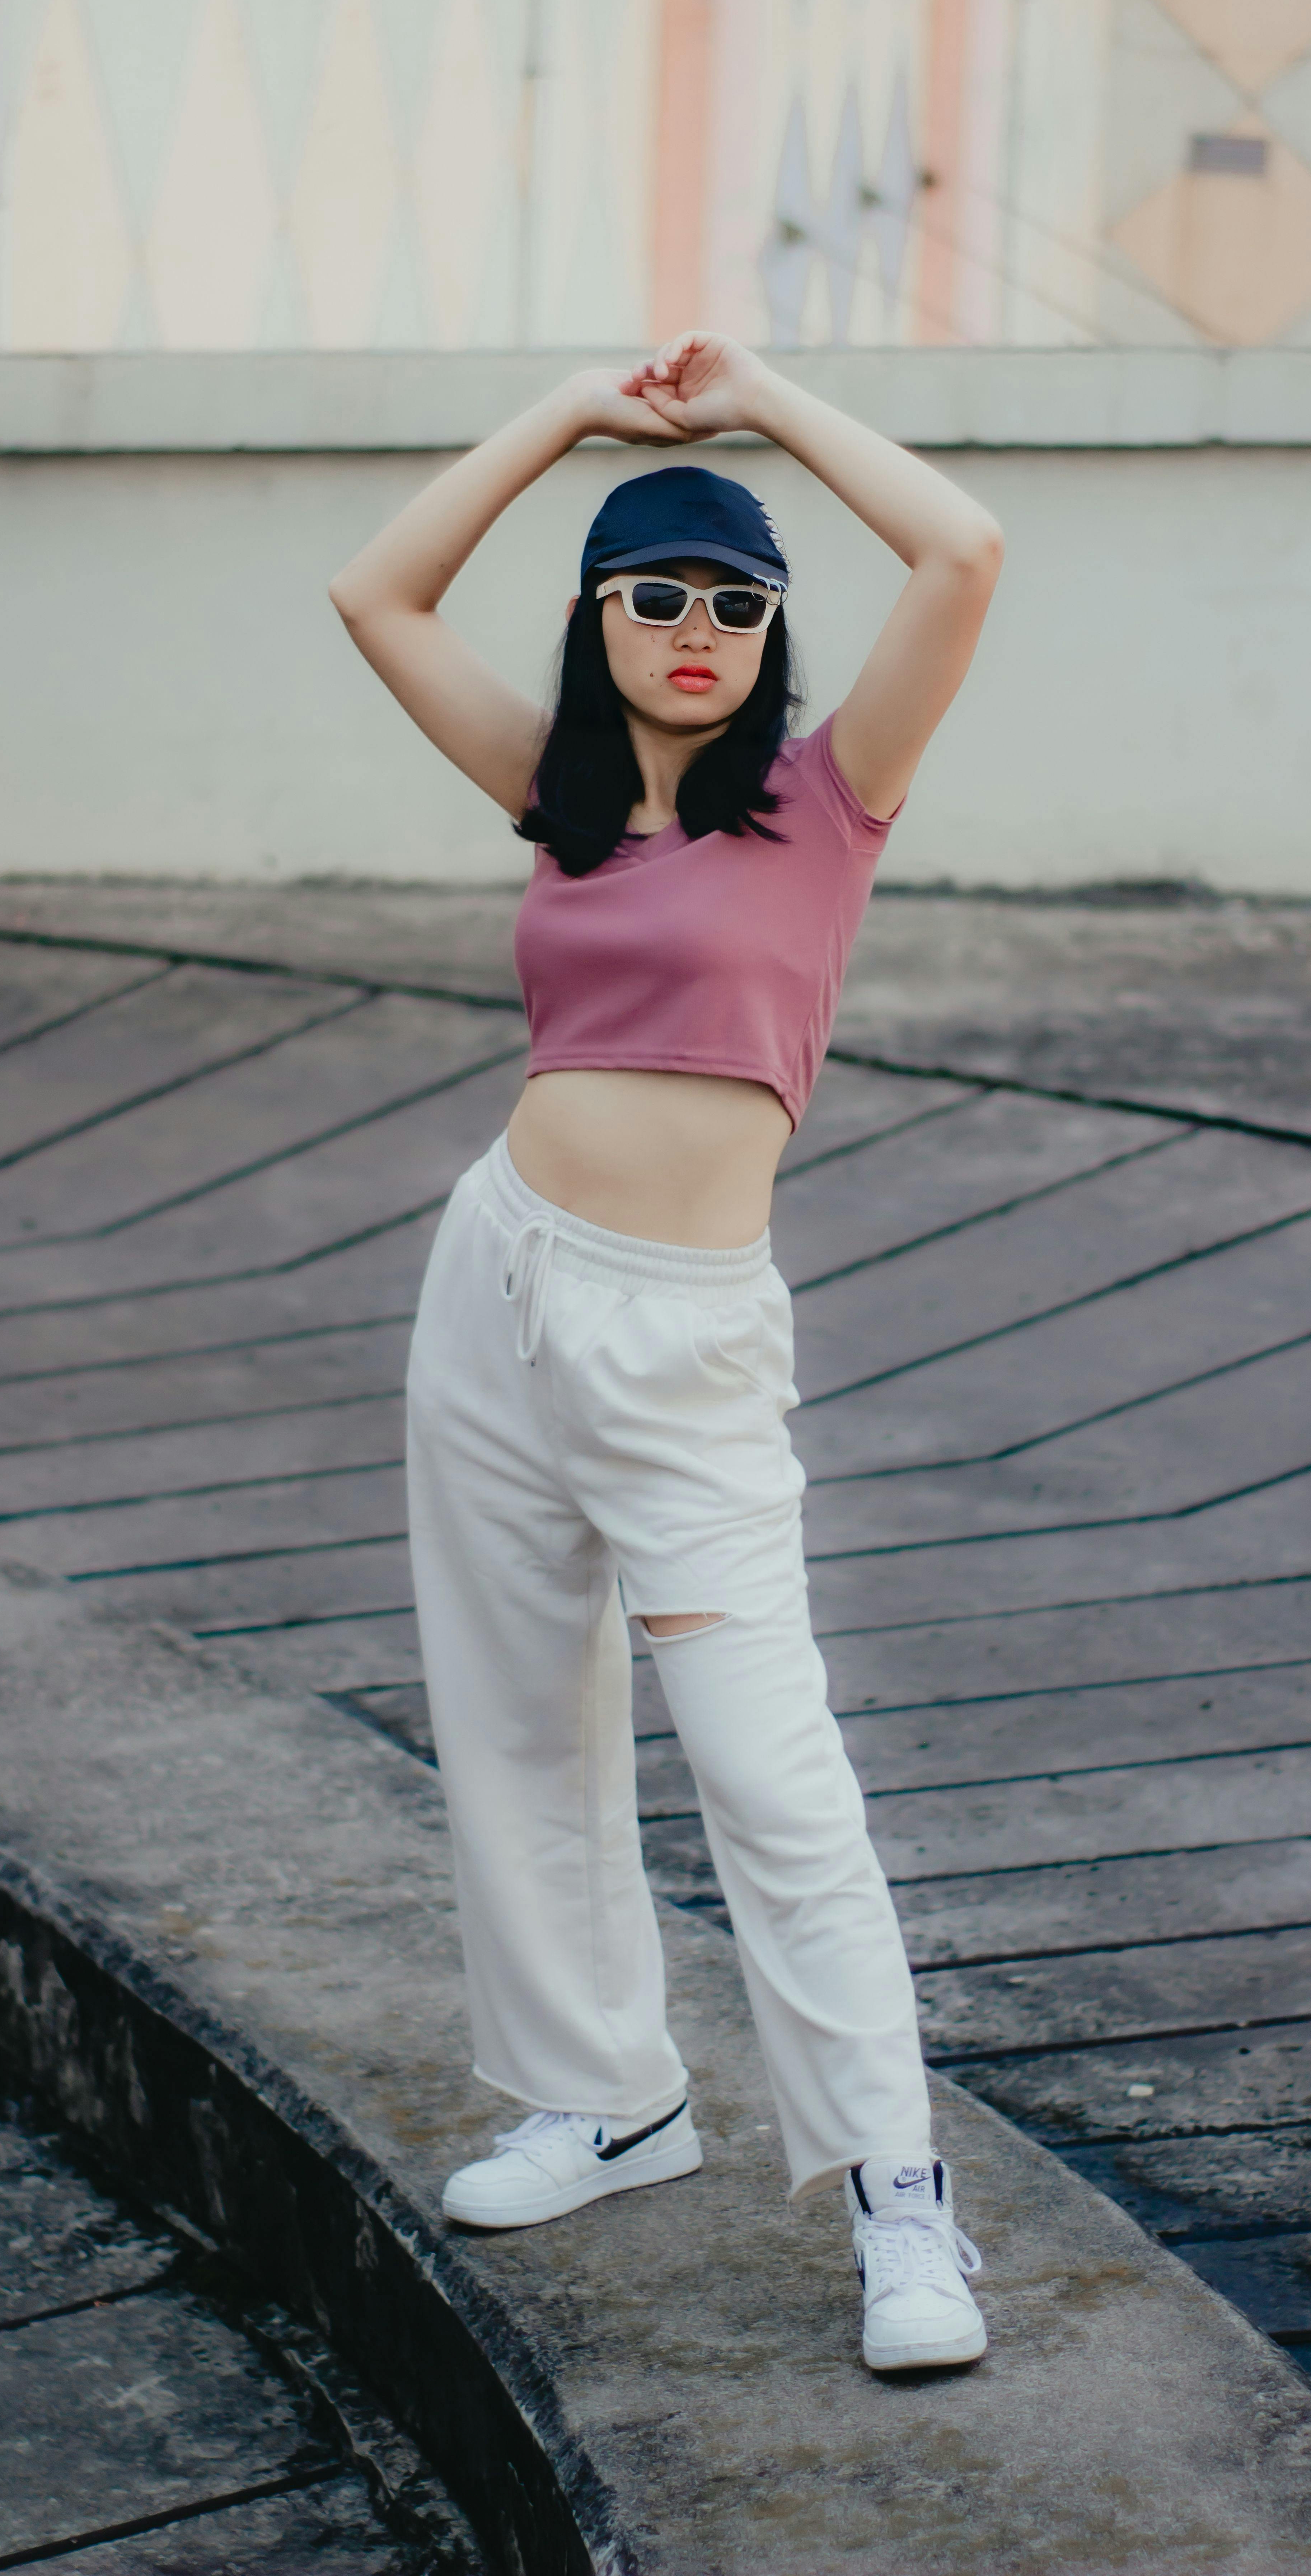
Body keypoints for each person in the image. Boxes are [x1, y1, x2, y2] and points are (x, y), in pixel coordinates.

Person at [329, 331, 1003, 2374]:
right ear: (597, 618)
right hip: (499, 1278)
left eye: (735, 603)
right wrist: (570, 417)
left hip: (687, 1337)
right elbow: (375, 592)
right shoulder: (552, 790)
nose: (697, 632)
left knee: (769, 1772)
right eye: (655, 597)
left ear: (773, 635)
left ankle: (897, 2196)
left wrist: (763, 401)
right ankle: (606, 2097)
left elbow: (964, 552)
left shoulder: (825, 798)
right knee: (516, 1713)